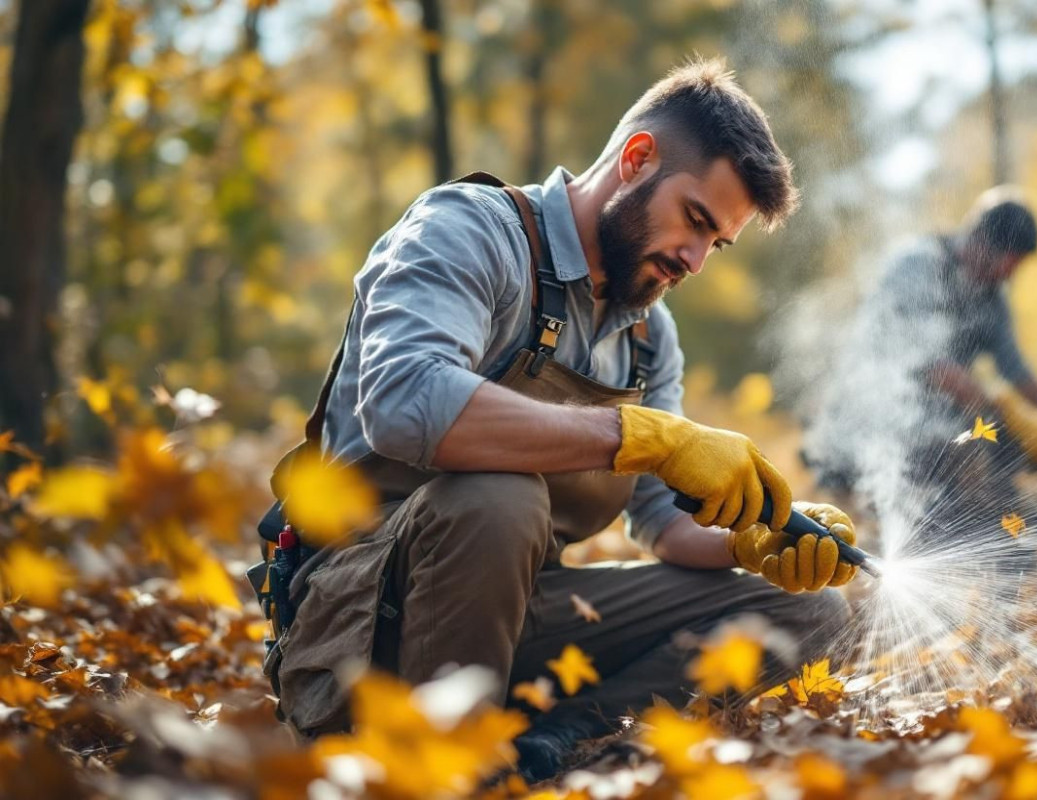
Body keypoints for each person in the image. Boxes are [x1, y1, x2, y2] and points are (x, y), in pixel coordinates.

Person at [258, 59, 860, 781]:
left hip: (517, 616)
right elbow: (403, 400)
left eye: (717, 243)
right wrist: (634, 436)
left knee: (812, 611)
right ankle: (455, 773)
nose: (696, 260)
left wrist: (754, 537)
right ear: (637, 159)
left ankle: (564, 740)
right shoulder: (469, 229)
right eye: (696, 221)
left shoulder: (648, 336)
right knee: (498, 495)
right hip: (359, 621)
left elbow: (661, 522)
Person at [804, 188, 1037, 535]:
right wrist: (1001, 414)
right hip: (869, 421)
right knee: (972, 455)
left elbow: (1018, 373)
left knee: (1002, 456)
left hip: (932, 428)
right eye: (1006, 263)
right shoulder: (918, 265)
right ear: (981, 240)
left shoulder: (991, 299)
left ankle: (987, 529)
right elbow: (934, 368)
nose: (1008, 276)